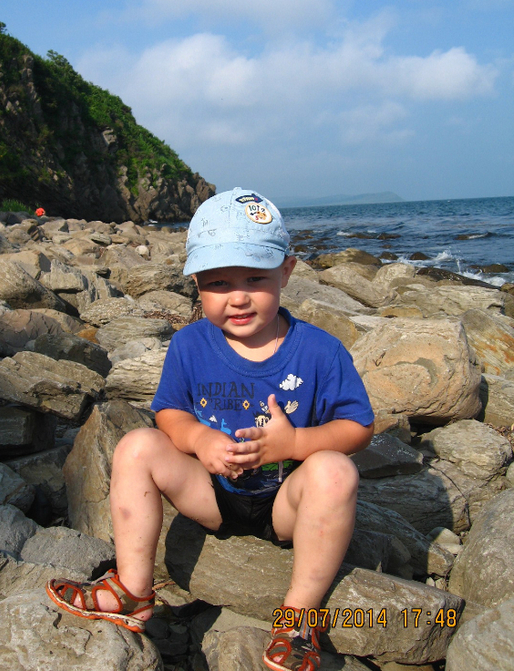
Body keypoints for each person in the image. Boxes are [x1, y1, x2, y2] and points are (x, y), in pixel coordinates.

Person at [47, 187, 374, 671]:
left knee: (336, 471)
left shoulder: (320, 352)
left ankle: (298, 617)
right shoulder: (189, 345)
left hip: (288, 503)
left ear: (286, 271)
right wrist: (199, 439)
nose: (237, 297)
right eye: (218, 283)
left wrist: (296, 442)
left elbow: (358, 427)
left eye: (255, 278)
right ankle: (132, 589)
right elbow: (170, 415)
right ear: (196, 283)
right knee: (137, 445)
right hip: (211, 492)